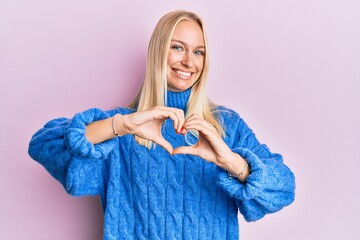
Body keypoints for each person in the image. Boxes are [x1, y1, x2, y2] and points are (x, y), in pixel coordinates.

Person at [28, 10, 295, 240]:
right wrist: (121, 125)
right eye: (177, 47)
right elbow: (43, 145)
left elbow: (284, 189)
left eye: (198, 51)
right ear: (158, 51)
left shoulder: (226, 126)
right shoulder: (124, 127)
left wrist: (232, 161)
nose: (189, 62)